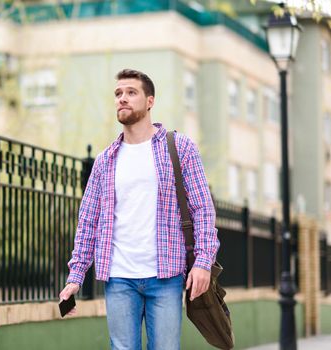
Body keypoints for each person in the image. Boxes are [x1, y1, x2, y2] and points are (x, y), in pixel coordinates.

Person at [59, 68, 220, 350]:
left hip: (166, 275)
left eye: (131, 92)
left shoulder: (179, 148)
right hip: (119, 277)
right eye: (118, 93)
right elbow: (88, 222)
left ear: (150, 101)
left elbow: (202, 209)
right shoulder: (105, 160)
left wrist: (204, 261)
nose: (123, 98)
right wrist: (76, 276)